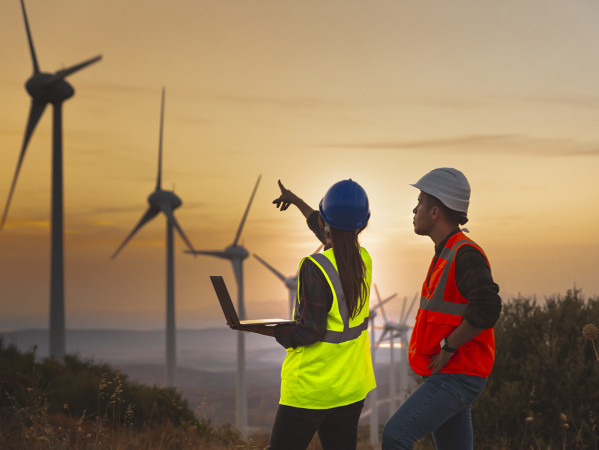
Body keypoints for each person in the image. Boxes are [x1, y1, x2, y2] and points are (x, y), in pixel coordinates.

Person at [229, 179, 376, 450]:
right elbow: (332, 233)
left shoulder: (315, 267)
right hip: (351, 388)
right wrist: (296, 201)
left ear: (324, 222)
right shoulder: (363, 260)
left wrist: (256, 327)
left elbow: (308, 332)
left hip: (311, 389)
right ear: (362, 225)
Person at [382, 168, 502, 449]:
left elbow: (488, 307)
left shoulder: (464, 253)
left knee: (395, 435)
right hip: (453, 372)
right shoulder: (447, 252)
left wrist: (448, 346)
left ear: (435, 212)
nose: (415, 209)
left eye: (420, 201)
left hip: (458, 373)